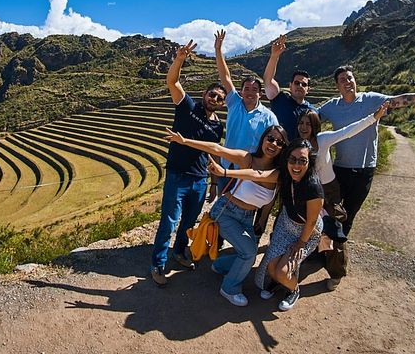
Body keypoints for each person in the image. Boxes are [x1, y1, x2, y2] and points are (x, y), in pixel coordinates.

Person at [318, 65, 415, 290]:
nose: (347, 82)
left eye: (349, 78)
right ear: (337, 85)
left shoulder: (372, 100)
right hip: (339, 170)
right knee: (330, 215)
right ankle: (326, 253)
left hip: (364, 171)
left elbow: (403, 100)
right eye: (342, 79)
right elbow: (309, 117)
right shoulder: (332, 106)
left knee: (347, 218)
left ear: (354, 80)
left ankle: (336, 258)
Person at [164, 125, 289, 306]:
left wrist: (262, 219)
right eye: (270, 138)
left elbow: (260, 180)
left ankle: (220, 266)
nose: (273, 144)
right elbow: (217, 149)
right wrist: (184, 141)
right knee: (249, 252)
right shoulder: (248, 159)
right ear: (263, 139)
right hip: (226, 212)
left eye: (279, 142)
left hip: (248, 216)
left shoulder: (278, 173)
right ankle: (229, 288)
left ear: (283, 148)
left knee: (249, 254)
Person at [208, 138, 323, 311]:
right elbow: (256, 174)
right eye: (292, 160)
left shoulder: (313, 187)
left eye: (302, 161)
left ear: (309, 162)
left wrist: (301, 243)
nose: (296, 165)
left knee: (281, 271)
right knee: (270, 267)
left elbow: (312, 221)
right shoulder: (284, 175)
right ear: (286, 160)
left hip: (306, 232)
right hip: (286, 226)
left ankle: (293, 289)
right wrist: (224, 172)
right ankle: (277, 281)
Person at [150, 40, 226, 288]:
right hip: (178, 176)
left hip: (200, 180)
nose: (214, 98)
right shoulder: (188, 107)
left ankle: (179, 252)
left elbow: (213, 155)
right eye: (212, 94)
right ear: (204, 95)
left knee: (188, 222)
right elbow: (172, 82)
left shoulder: (217, 126)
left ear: (222, 103)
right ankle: (158, 264)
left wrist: (213, 182)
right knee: (168, 222)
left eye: (219, 97)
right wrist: (180, 59)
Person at [295, 103, 389, 284]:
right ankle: (313, 257)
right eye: (301, 123)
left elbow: (348, 131)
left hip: (329, 192)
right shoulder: (298, 145)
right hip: (309, 193)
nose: (304, 127)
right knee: (311, 228)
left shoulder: (323, 140)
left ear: (315, 126)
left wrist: (373, 118)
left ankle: (336, 273)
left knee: (334, 231)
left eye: (308, 123)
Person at [214, 30, 278, 195]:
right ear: (241, 92)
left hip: (248, 171)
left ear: (260, 94)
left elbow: (274, 144)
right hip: (226, 167)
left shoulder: (268, 117)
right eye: (246, 89)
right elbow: (225, 77)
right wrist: (218, 50)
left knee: (244, 208)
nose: (250, 92)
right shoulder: (234, 103)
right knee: (222, 205)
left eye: (254, 89)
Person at [263, 34, 317, 140]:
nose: (300, 86)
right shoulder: (280, 99)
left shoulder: (312, 112)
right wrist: (274, 56)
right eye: (296, 83)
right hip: (278, 152)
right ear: (290, 85)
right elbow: (268, 80)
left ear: (308, 90)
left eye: (304, 84)